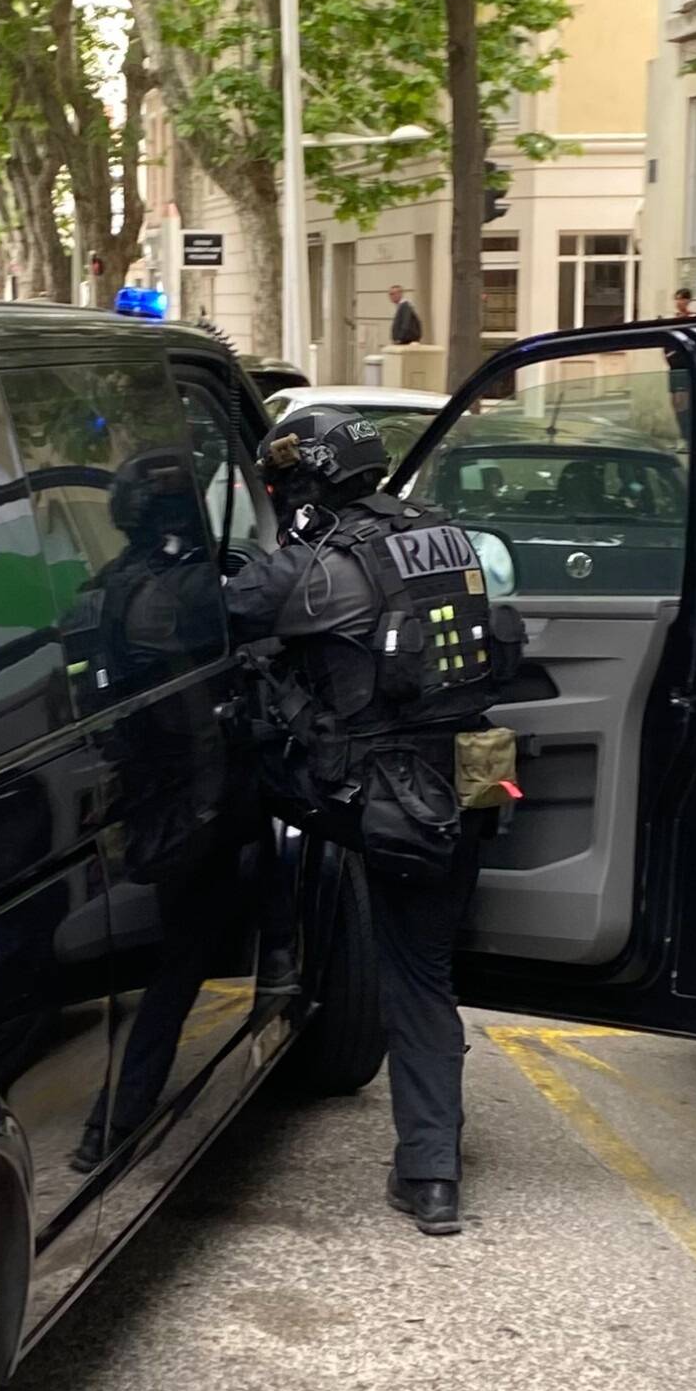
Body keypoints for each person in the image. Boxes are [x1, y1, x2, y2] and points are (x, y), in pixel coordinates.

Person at [228, 404, 525, 1235]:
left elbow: (229, 609)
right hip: (468, 781)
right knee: (425, 970)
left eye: (287, 486)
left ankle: (255, 947)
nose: (283, 501)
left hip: (370, 799)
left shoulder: (316, 565)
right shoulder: (447, 537)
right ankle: (432, 1177)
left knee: (240, 774)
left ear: (313, 486)